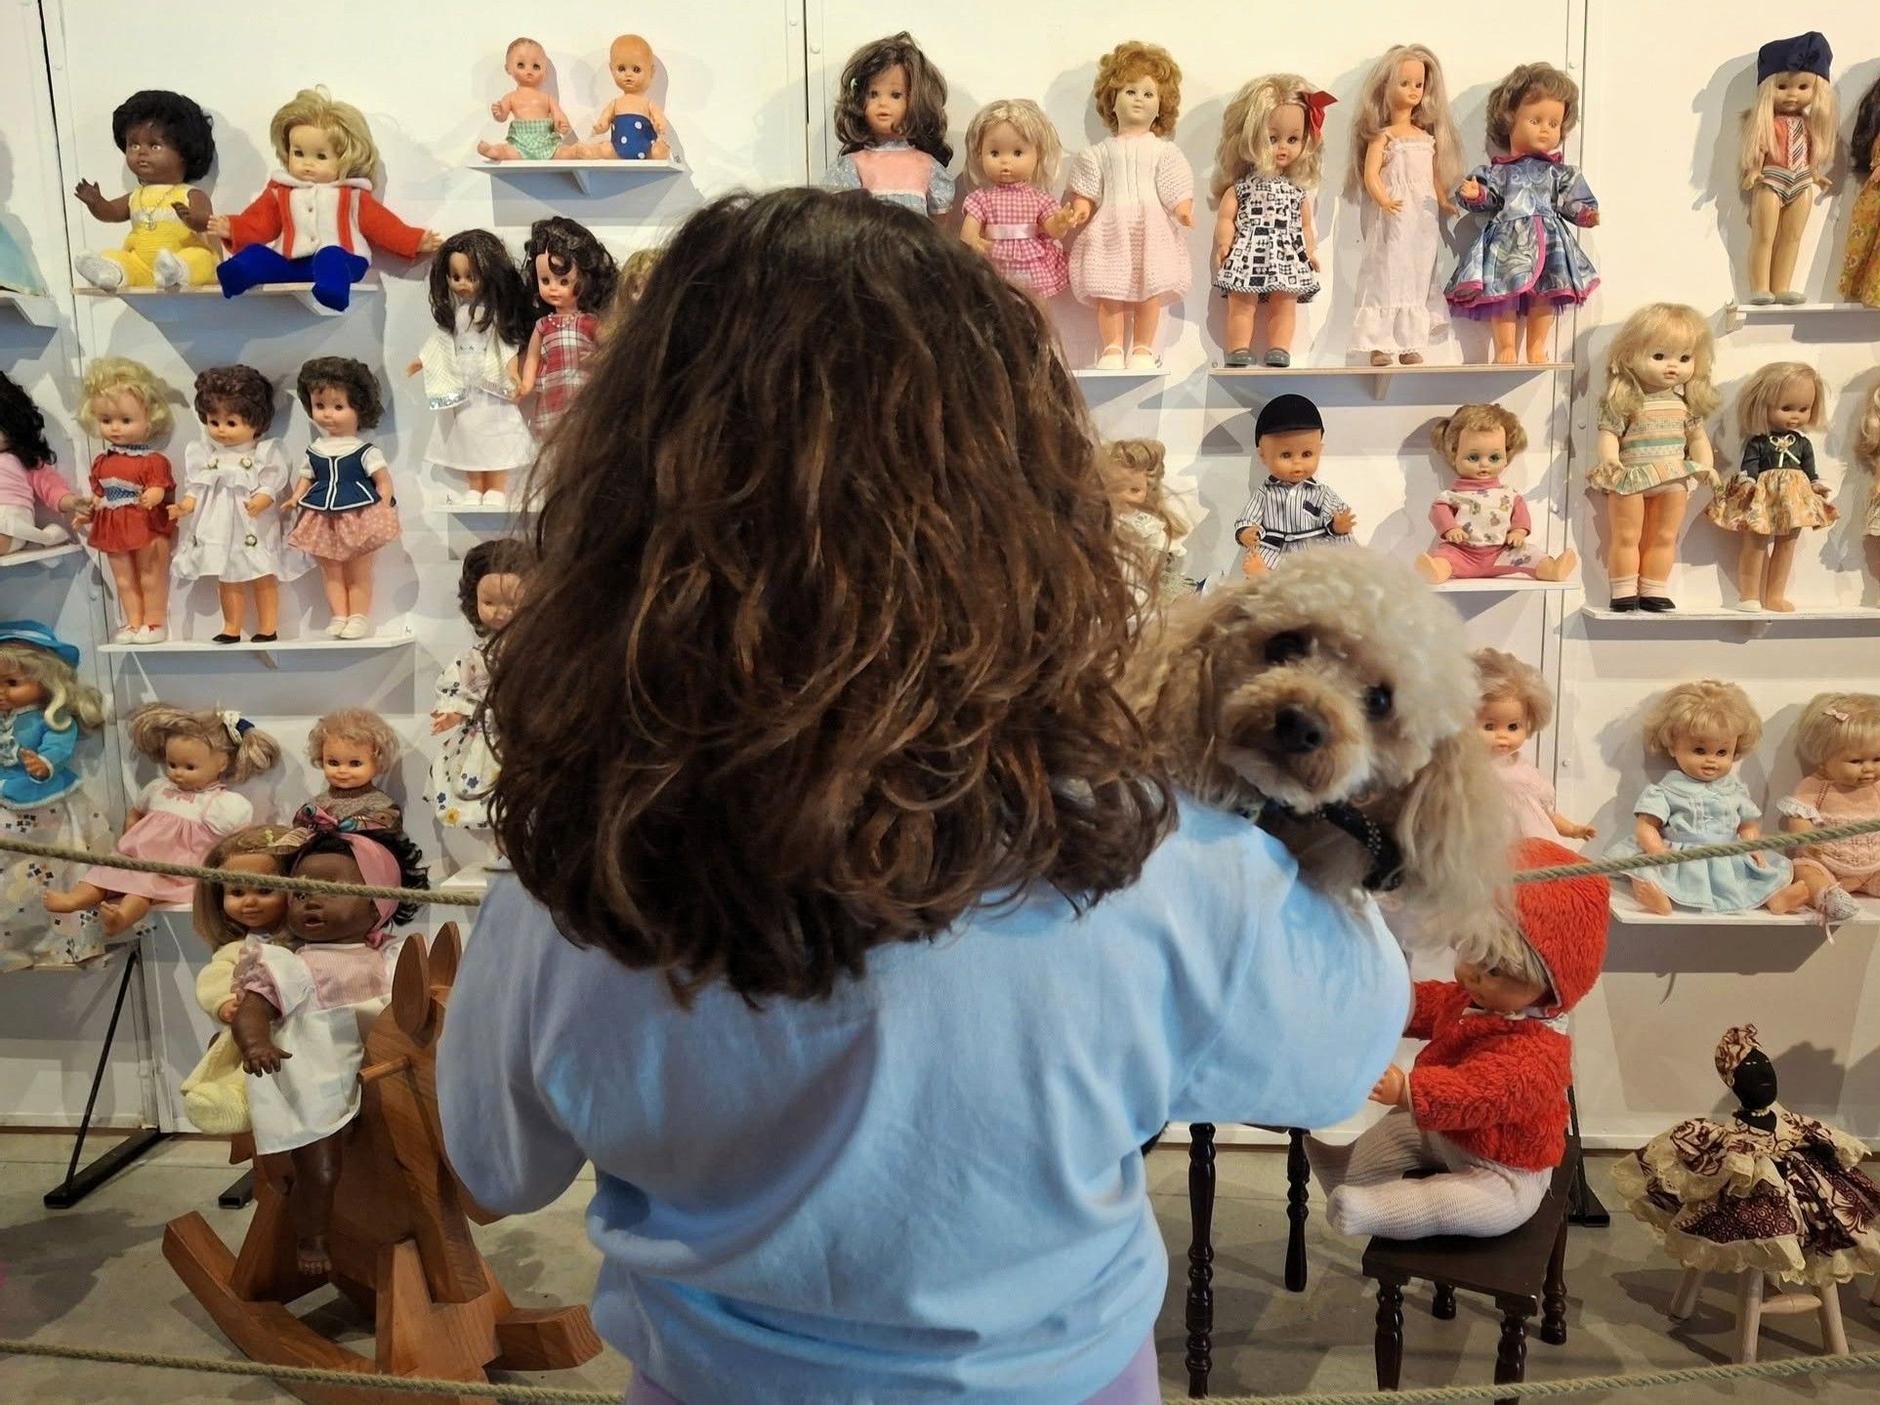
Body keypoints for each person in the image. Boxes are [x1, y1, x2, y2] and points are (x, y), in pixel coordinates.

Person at [438, 188, 1411, 1405]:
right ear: (1023, 489)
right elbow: (1330, 1059)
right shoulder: (1151, 851)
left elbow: (494, 1160)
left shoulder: (578, 872)